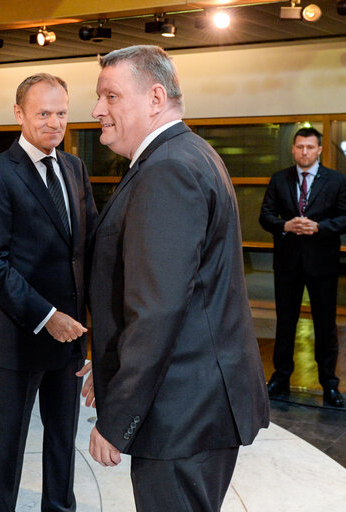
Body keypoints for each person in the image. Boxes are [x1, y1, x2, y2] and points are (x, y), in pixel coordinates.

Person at [81, 45, 269, 511]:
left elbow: (158, 310)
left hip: (183, 412)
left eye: (110, 95)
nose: (97, 109)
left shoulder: (166, 169)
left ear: (155, 97)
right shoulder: (187, 153)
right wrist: (107, 368)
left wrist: (118, 414)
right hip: (195, 404)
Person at [0, 73, 97, 511]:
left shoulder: (74, 168)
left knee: (63, 440)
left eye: (61, 113)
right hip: (23, 333)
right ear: (19, 114)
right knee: (7, 446)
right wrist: (47, 316)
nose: (54, 123)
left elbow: (88, 245)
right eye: (43, 113)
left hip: (72, 339)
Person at [260, 127, 346, 408]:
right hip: (288, 262)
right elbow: (265, 216)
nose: (304, 152)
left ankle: (329, 385)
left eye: (310, 147)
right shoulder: (279, 178)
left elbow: (345, 217)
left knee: (325, 326)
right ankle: (280, 378)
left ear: (319, 149)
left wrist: (320, 227)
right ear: (293, 149)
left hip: (322, 263)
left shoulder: (336, 180)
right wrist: (284, 225)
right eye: (299, 147)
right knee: (286, 323)